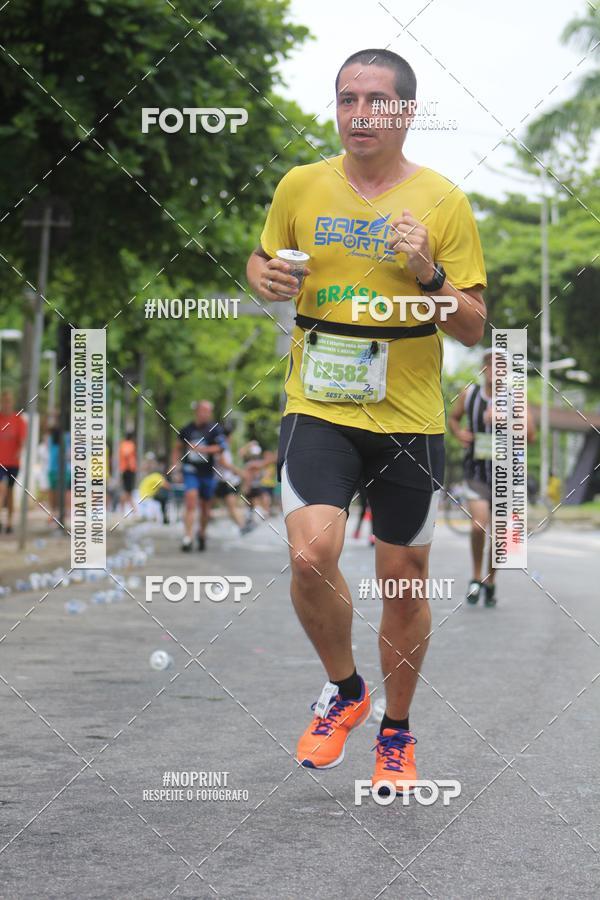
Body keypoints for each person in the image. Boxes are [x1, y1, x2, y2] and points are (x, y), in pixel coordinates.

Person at [246, 49, 487, 795]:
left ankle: (396, 730)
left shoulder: (443, 202)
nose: (357, 113)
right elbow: (261, 264)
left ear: (405, 112)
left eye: (374, 100)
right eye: (346, 99)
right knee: (313, 553)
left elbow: (474, 325)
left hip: (408, 420)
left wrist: (428, 272)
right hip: (318, 405)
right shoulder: (301, 185)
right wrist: (265, 276)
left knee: (403, 581)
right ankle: (346, 690)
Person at [449, 349, 536, 607]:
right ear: (484, 369)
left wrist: (506, 420)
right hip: (476, 471)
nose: (494, 369)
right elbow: (453, 418)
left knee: (499, 535)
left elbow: (530, 434)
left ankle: (490, 580)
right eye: (489, 364)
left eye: (500, 365)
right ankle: (476, 576)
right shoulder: (470, 394)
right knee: (478, 526)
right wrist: (458, 433)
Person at [174, 400, 227, 552]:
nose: (205, 414)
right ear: (197, 411)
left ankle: (202, 533)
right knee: (190, 501)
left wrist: (203, 449)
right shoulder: (187, 429)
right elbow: (177, 448)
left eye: (208, 411)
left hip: (207, 473)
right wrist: (176, 466)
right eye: (203, 410)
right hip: (190, 470)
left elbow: (221, 447)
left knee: (205, 508)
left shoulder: (214, 429)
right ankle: (188, 537)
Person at [0, 390, 27, 534]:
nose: (6, 404)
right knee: (1, 489)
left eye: (9, 401)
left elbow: (22, 440)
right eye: (4, 401)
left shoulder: (18, 420)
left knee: (9, 492)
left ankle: (9, 522)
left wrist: (19, 449)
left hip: (13, 463)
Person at [119, 432, 137, 514]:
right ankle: (133, 511)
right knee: (127, 492)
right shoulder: (129, 444)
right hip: (128, 470)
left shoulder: (123, 444)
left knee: (127, 491)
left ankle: (126, 510)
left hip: (126, 470)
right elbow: (126, 453)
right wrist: (130, 465)